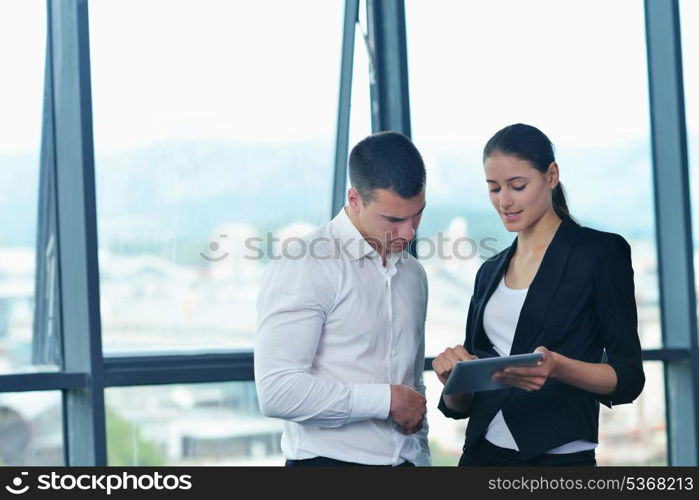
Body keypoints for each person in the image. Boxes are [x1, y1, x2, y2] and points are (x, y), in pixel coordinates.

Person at [433, 123, 645, 466]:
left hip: (558, 461)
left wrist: (558, 367)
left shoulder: (600, 254)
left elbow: (629, 377)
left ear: (551, 175)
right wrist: (454, 379)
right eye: (493, 188)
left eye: (517, 186)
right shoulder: (489, 271)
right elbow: (465, 402)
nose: (504, 201)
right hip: (481, 456)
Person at [255, 131, 431, 466]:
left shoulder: (414, 274)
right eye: (393, 219)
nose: (409, 232)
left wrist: (421, 456)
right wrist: (387, 400)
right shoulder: (306, 263)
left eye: (417, 214)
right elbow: (278, 392)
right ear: (354, 199)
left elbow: (412, 381)